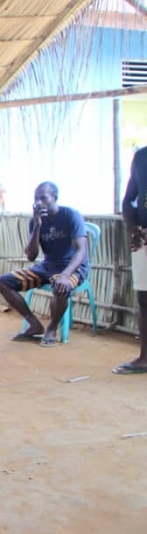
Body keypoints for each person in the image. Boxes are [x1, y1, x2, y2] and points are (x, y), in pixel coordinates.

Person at [0, 182, 88, 347]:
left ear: (55, 198)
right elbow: (31, 256)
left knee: (61, 286)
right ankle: (34, 324)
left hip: (72, 268)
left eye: (43, 198)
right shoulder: (36, 221)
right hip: (47, 267)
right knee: (3, 282)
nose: (38, 203)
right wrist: (37, 225)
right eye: (36, 199)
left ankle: (51, 329)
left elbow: (81, 251)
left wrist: (65, 276)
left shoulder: (71, 215)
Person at [115, 147, 147, 374]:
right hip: (144, 238)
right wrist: (133, 227)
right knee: (144, 298)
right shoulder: (142, 156)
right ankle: (145, 358)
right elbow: (128, 200)